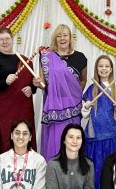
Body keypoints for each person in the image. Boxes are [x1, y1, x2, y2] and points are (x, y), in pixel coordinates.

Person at [35, 24, 87, 160]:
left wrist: (74, 96)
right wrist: (38, 83)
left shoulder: (80, 57)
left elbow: (83, 80)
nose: (62, 38)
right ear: (55, 39)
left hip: (73, 107)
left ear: (70, 38)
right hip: (54, 106)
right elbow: (43, 83)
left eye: (65, 35)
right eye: (59, 36)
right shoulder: (46, 57)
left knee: (72, 141)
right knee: (55, 141)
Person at [82, 55, 116, 189]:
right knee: (96, 166)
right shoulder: (91, 88)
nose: (104, 69)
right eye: (101, 66)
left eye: (107, 66)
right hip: (95, 134)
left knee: (111, 165)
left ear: (111, 69)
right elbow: (84, 114)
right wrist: (87, 107)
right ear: (96, 68)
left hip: (112, 134)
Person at [0, 28, 37, 155]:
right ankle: (5, 169)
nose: (5, 42)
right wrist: (5, 82)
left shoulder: (25, 60)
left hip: (23, 107)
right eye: (1, 40)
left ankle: (27, 169)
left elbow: (32, 81)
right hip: (4, 108)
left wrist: (32, 88)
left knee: (24, 135)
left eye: (7, 39)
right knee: (4, 138)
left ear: (12, 40)